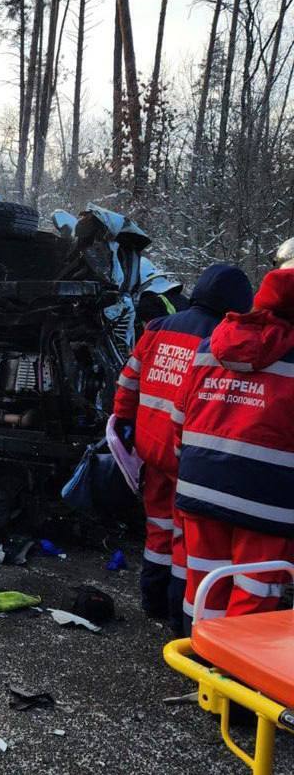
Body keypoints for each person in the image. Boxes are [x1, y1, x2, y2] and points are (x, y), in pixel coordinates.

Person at [114, 263, 254, 631]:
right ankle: (179, 615)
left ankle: (152, 598)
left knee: (157, 526)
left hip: (149, 446)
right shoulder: (224, 337)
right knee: (187, 538)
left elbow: (128, 383)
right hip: (189, 455)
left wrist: (124, 424)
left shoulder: (157, 328)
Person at [174, 267, 294, 633]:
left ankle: (200, 667)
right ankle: (231, 679)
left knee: (205, 583)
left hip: (199, 485)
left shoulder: (213, 343)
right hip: (266, 498)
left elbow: (181, 414)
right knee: (255, 589)